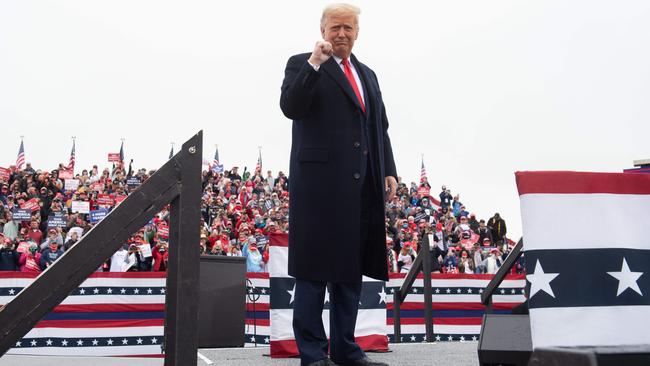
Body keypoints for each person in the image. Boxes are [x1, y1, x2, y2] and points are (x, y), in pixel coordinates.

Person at [280, 4, 396, 366]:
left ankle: (345, 349)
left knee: (349, 274)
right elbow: (291, 105)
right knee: (313, 274)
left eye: (348, 27)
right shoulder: (302, 63)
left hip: (360, 189)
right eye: (335, 28)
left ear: (357, 32)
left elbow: (380, 127)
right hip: (317, 189)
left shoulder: (369, 76)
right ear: (322, 29)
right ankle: (313, 354)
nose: (341, 34)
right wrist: (316, 63)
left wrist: (389, 169)